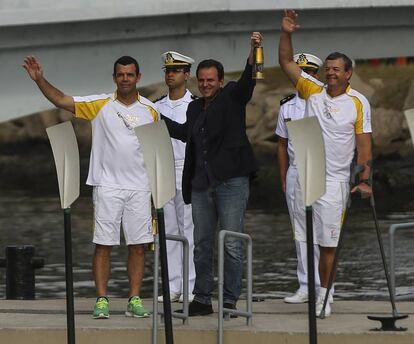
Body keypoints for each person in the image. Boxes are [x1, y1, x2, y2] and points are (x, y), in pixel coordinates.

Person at [23, 55, 158, 319]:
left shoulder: (150, 110)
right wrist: (39, 80)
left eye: (130, 74)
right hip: (107, 186)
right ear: (114, 77)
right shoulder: (100, 105)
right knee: (103, 244)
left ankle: (134, 299)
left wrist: (156, 189)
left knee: (138, 245)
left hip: (140, 188)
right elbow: (62, 100)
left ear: (138, 78)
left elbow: (155, 150)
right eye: (120, 74)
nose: (125, 79)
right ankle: (102, 300)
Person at [279, 10, 373, 317]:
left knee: (328, 243)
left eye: (336, 69)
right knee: (307, 240)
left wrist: (364, 179)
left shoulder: (358, 102)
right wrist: (287, 33)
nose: (330, 73)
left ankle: (325, 294)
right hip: (306, 177)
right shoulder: (312, 90)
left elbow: (364, 146)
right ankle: (313, 289)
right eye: (328, 69)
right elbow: (286, 63)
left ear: (348, 74)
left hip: (335, 182)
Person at [162, 31, 263, 316]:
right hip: (200, 184)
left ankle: (230, 300)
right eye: (202, 80)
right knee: (202, 244)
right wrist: (156, 118)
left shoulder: (233, 95)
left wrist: (255, 50)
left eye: (211, 80)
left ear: (220, 81)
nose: (206, 85)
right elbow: (185, 134)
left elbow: (249, 78)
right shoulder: (194, 108)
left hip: (231, 181)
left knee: (231, 241)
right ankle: (203, 299)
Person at [276, 52, 326, 304]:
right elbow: (282, 145)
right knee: (300, 230)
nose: (304, 76)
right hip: (296, 170)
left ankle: (324, 286)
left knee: (323, 230)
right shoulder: (287, 106)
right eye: (300, 71)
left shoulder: (323, 100)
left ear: (316, 75)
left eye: (309, 72)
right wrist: (284, 176)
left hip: (320, 168)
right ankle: (306, 285)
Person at [153, 51, 196, 303]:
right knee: (167, 230)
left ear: (187, 74)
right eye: (168, 70)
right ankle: (172, 285)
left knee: (189, 229)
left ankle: (190, 286)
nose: (171, 74)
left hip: (187, 170)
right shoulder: (156, 106)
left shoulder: (196, 104)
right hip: (163, 170)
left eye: (176, 70)